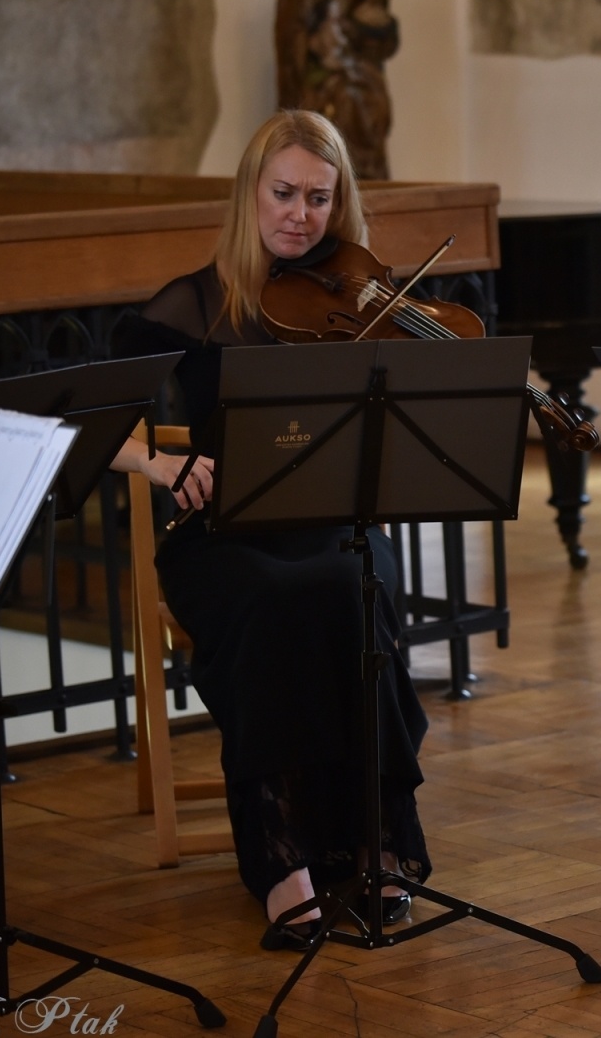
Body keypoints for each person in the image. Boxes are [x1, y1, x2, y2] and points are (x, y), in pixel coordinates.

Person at [108, 109, 430, 949]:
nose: (299, 214)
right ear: (249, 196)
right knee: (278, 596)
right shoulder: (193, 305)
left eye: (319, 198)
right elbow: (95, 418)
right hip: (223, 538)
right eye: (283, 193)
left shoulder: (355, 303)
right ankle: (281, 857)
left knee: (351, 582)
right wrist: (158, 465)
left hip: (332, 529)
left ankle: (375, 839)